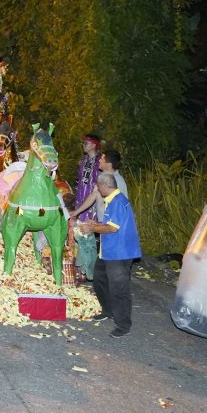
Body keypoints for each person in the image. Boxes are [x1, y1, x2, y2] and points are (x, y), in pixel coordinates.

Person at [79, 172, 142, 338]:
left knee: (118, 288)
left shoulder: (117, 202)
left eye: (98, 187)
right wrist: (97, 224)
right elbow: (110, 224)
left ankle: (123, 325)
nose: (98, 190)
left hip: (119, 253)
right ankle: (108, 310)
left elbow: (113, 228)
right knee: (99, 279)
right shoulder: (113, 200)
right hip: (108, 251)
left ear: (104, 186)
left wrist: (92, 228)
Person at [72, 148, 127, 220]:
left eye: (102, 159)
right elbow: (94, 194)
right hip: (102, 222)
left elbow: (121, 209)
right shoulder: (102, 176)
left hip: (111, 225)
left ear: (109, 164)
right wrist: (76, 212)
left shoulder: (118, 181)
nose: (99, 160)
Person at [73, 134, 102, 223]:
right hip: (81, 195)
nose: (83, 145)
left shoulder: (100, 160)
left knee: (91, 223)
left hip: (94, 196)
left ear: (94, 145)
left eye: (86, 143)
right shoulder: (83, 160)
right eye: (83, 143)